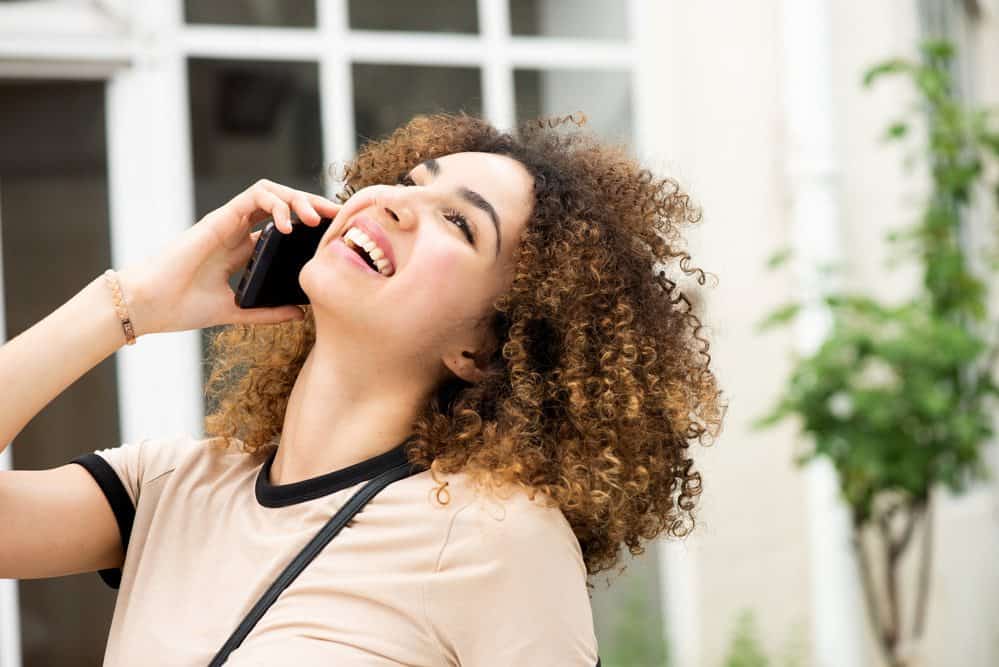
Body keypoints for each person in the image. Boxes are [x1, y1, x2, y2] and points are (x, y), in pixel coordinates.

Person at [0, 111, 725, 665]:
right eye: (413, 182)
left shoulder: (496, 537)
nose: (395, 204)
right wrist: (129, 304)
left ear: (480, 347)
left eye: (458, 222)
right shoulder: (171, 486)